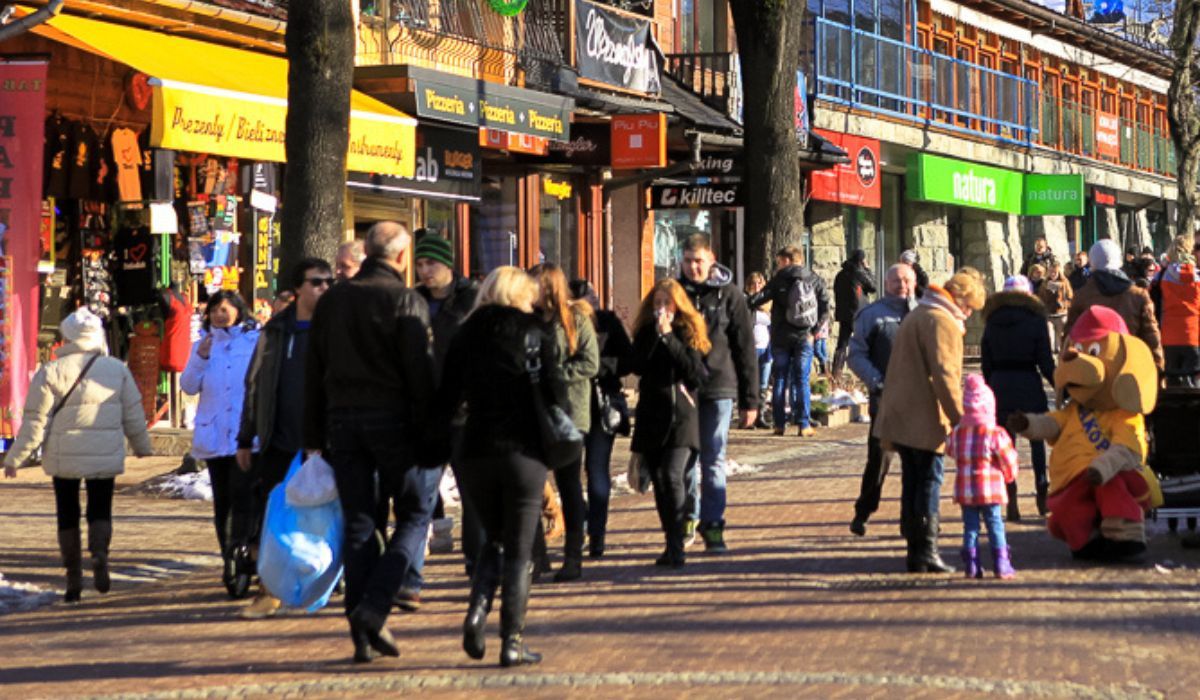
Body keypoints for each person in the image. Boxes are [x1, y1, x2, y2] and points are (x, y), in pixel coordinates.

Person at [304, 221, 437, 663]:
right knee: (416, 513)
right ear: (401, 257)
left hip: (343, 423)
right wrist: (429, 431)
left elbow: (313, 370)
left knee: (361, 521)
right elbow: (419, 374)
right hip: (395, 422)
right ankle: (375, 605)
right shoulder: (406, 300)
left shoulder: (333, 301)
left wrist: (312, 434)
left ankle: (361, 630)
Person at [434, 266, 565, 667]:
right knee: (520, 549)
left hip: (475, 449)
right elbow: (557, 391)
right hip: (523, 451)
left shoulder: (465, 334)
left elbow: (446, 397)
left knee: (494, 537)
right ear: (520, 296)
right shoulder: (535, 332)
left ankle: (477, 610)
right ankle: (512, 640)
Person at [3, 309, 153, 602]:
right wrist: (142, 446)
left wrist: (15, 458)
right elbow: (133, 412)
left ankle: (73, 576)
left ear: (67, 335)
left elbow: (36, 421)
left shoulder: (51, 371)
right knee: (100, 506)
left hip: (64, 453)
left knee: (67, 510)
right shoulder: (116, 369)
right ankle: (99, 553)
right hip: (104, 450)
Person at [235, 257, 333, 619]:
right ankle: (270, 589)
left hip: (325, 440)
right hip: (279, 438)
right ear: (297, 290)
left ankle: (328, 580)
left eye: (329, 282)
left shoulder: (336, 327)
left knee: (326, 515)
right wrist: (245, 438)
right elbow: (254, 384)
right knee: (275, 517)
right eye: (317, 282)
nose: (325, 288)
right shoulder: (276, 331)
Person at [875, 267, 987, 574]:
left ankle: (916, 548)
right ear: (961, 300)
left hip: (902, 412)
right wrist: (962, 419)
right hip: (923, 416)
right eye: (969, 308)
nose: (968, 314)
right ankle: (926, 549)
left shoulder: (920, 313)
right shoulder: (941, 321)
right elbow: (945, 376)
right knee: (928, 482)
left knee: (912, 480)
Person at [396, 234, 479, 607]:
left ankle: (477, 568)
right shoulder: (412, 300)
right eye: (420, 264)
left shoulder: (471, 299)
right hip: (424, 413)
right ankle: (410, 581)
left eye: (431, 264)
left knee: (474, 497)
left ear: (448, 264)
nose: (424, 271)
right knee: (418, 500)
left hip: (465, 412)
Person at [677, 235, 758, 552]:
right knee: (683, 461)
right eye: (687, 260)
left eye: (698, 260)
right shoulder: (674, 293)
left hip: (718, 387)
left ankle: (713, 526)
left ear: (711, 259)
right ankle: (687, 519)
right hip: (682, 390)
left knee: (712, 460)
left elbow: (745, 348)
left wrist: (751, 400)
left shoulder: (730, 295)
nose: (693, 267)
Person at [180, 290, 260, 597]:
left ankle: (242, 556)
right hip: (214, 435)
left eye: (225, 310)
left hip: (244, 436)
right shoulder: (202, 345)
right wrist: (200, 357)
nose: (220, 315)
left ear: (239, 311)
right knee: (223, 503)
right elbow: (188, 385)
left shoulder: (252, 341)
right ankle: (228, 558)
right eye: (215, 310)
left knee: (245, 499)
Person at [629, 279, 710, 569]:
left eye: (667, 303)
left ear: (677, 305)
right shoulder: (645, 332)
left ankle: (677, 544)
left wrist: (668, 338)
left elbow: (694, 373)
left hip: (681, 417)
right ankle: (670, 540)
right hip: (652, 416)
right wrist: (655, 337)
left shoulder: (688, 332)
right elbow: (636, 365)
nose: (661, 310)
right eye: (657, 303)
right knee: (660, 482)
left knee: (672, 476)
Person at [531, 263, 599, 582]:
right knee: (530, 483)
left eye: (537, 284)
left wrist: (558, 374)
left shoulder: (575, 319)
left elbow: (590, 361)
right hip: (532, 410)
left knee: (568, 482)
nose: (531, 289)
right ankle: (536, 556)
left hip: (569, 412)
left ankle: (573, 555)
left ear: (551, 287)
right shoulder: (526, 319)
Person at [847, 263, 917, 537]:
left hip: (916, 402)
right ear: (886, 283)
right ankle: (863, 511)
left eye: (907, 280)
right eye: (897, 280)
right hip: (886, 400)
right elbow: (856, 354)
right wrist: (877, 381)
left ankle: (909, 519)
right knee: (878, 460)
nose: (902, 285)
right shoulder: (872, 314)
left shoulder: (922, 312)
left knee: (915, 464)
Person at [981, 275, 1056, 520]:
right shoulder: (1036, 320)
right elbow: (1045, 361)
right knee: (1036, 442)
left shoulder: (992, 320)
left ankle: (1011, 498)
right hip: (1028, 383)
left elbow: (986, 361)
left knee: (1006, 445)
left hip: (1000, 384)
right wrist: (1060, 386)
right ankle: (1042, 494)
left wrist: (991, 386)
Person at [568, 279, 633, 559]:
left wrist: (599, 369)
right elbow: (629, 360)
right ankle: (592, 532)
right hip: (578, 405)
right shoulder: (569, 323)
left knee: (589, 472)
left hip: (598, 404)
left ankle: (594, 533)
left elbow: (628, 360)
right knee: (586, 472)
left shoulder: (605, 321)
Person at [748, 246, 831, 438]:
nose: (778, 265)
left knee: (780, 379)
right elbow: (826, 307)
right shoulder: (814, 278)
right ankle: (803, 424)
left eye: (779, 261)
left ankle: (779, 424)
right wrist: (815, 331)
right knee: (801, 380)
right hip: (805, 336)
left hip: (781, 337)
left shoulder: (779, 280)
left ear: (787, 260)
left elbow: (758, 299)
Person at [946, 375, 1019, 580]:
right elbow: (1008, 458)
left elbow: (950, 449)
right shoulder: (994, 433)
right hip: (990, 490)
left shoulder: (958, 432)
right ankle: (1001, 563)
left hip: (966, 490)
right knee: (995, 524)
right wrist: (1010, 474)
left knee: (970, 527)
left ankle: (971, 565)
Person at [1065, 239, 1164, 370]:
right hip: (1129, 367)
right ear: (1119, 261)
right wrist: (1158, 367)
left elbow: (1070, 336)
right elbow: (1151, 336)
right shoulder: (1138, 295)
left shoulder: (1081, 296)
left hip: (1092, 370)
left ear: (1092, 263)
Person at [1155, 236, 1200, 387]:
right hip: (1193, 334)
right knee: (1194, 383)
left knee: (1172, 383)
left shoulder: (1162, 275)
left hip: (1169, 335)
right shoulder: (1197, 276)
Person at [832, 249, 877, 376]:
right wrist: (868, 269)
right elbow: (873, 287)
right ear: (862, 260)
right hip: (859, 313)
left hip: (844, 314)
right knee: (867, 342)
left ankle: (836, 372)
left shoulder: (840, 274)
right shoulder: (858, 273)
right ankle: (870, 371)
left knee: (842, 344)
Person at [745, 272, 773, 428]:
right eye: (753, 284)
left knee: (763, 384)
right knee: (751, 384)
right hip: (752, 347)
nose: (757, 287)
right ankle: (749, 416)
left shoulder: (769, 303)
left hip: (766, 347)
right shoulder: (747, 302)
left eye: (760, 283)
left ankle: (760, 416)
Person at [1038, 261, 1073, 354]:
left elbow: (1070, 296)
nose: (1052, 274)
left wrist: (1064, 304)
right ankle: (1052, 352)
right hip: (1049, 314)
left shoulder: (1064, 282)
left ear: (1058, 272)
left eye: (1054, 272)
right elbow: (1040, 297)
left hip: (1061, 314)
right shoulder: (1045, 283)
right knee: (1049, 334)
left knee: (1060, 335)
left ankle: (1059, 353)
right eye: (1050, 272)